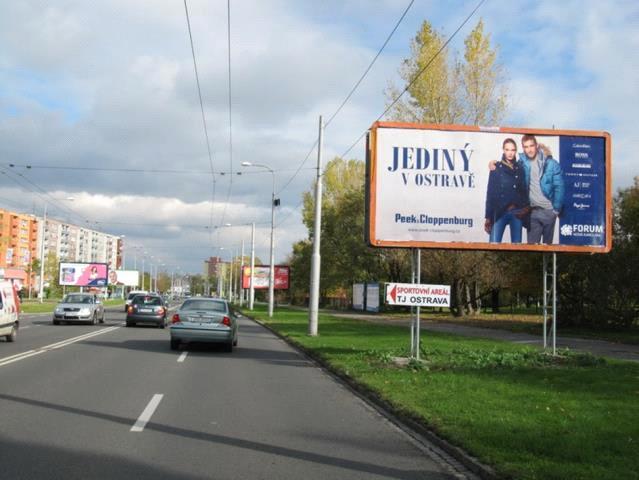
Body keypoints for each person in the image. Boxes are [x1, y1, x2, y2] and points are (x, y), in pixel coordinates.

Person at [518, 134, 565, 244]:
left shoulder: (551, 164)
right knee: (531, 252)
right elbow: (508, 167)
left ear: (536, 145)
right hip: (532, 212)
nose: (529, 150)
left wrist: (556, 210)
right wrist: (493, 163)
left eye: (531, 146)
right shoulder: (521, 164)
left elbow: (559, 187)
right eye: (526, 147)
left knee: (547, 251)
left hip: (549, 211)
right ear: (523, 148)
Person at [484, 138, 530, 243]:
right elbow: (490, 193)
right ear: (503, 150)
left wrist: (525, 209)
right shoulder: (496, 168)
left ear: (515, 151)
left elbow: (524, 191)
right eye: (507, 149)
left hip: (516, 212)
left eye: (513, 150)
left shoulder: (520, 168)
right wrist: (488, 217)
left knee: (517, 246)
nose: (510, 153)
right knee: (493, 244)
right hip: (499, 211)